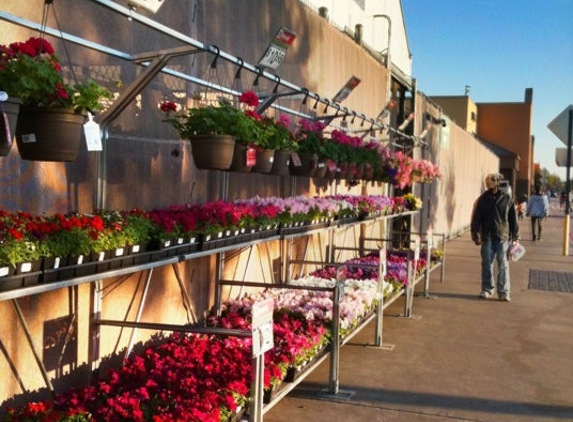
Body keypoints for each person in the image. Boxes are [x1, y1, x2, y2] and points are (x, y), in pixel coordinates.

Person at [470, 173, 520, 302]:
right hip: (487, 236)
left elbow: (513, 219)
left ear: (497, 182)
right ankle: (487, 289)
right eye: (487, 181)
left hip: (502, 236)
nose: (487, 183)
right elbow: (476, 219)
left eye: (490, 181)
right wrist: (475, 234)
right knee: (487, 264)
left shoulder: (507, 199)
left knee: (503, 265)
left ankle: (503, 292)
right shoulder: (482, 199)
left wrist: (515, 237)